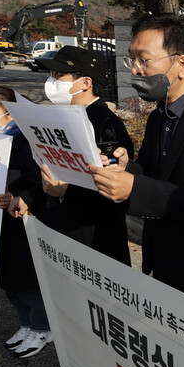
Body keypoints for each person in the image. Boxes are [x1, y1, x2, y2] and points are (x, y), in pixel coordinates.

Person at [90, 14, 184, 298]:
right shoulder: (160, 116)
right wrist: (125, 170)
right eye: (131, 60)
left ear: (182, 64)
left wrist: (134, 187)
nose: (135, 70)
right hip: (161, 257)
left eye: (143, 60)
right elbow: (151, 171)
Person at [36, 46, 134, 265]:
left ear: (86, 83)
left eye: (59, 75)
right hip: (63, 231)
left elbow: (116, 191)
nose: (52, 81)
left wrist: (66, 191)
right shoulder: (62, 117)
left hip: (95, 242)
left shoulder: (106, 124)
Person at [0, 86, 52, 358]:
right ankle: (26, 323)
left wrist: (20, 197)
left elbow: (42, 184)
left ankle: (42, 327)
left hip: (23, 224)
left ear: (10, 114)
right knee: (9, 283)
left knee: (29, 282)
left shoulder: (29, 142)